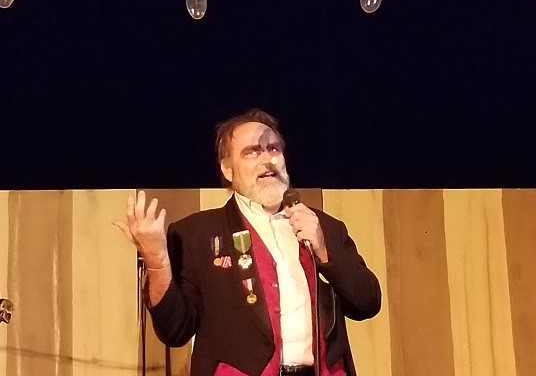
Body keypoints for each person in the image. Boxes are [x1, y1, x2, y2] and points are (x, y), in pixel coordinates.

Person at [114, 109, 381, 376]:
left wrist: (324, 251)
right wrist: (157, 262)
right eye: (252, 152)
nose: (267, 160)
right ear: (227, 169)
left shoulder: (324, 227)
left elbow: (366, 303)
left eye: (273, 149)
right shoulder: (196, 234)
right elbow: (176, 330)